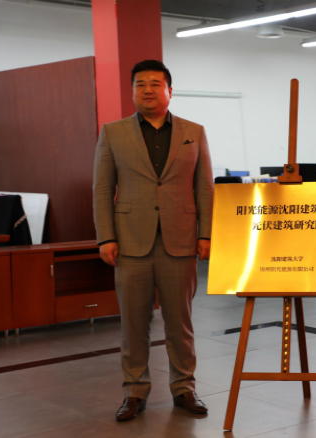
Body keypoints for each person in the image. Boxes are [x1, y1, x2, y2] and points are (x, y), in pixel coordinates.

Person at [93, 60, 214, 421]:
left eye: (155, 84)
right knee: (133, 324)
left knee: (181, 323)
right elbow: (102, 188)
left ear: (169, 91)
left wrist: (206, 233)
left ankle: (184, 388)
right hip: (130, 242)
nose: (148, 90)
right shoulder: (113, 132)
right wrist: (105, 237)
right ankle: (134, 392)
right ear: (132, 91)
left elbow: (204, 188)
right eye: (140, 84)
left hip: (181, 240)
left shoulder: (194, 131)